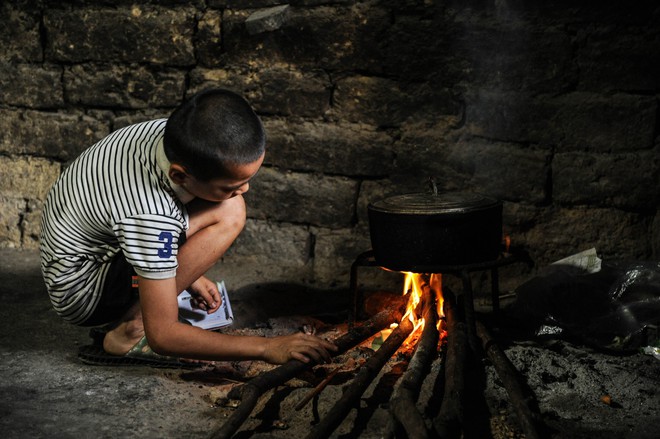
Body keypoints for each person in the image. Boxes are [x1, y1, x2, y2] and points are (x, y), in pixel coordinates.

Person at [40, 88, 337, 367]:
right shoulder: (150, 213)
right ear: (180, 176)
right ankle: (128, 331)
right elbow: (164, 336)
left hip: (96, 245)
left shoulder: (174, 136)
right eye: (231, 185)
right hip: (82, 289)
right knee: (229, 212)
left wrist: (189, 275)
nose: (245, 189)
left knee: (226, 204)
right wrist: (266, 347)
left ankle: (158, 275)